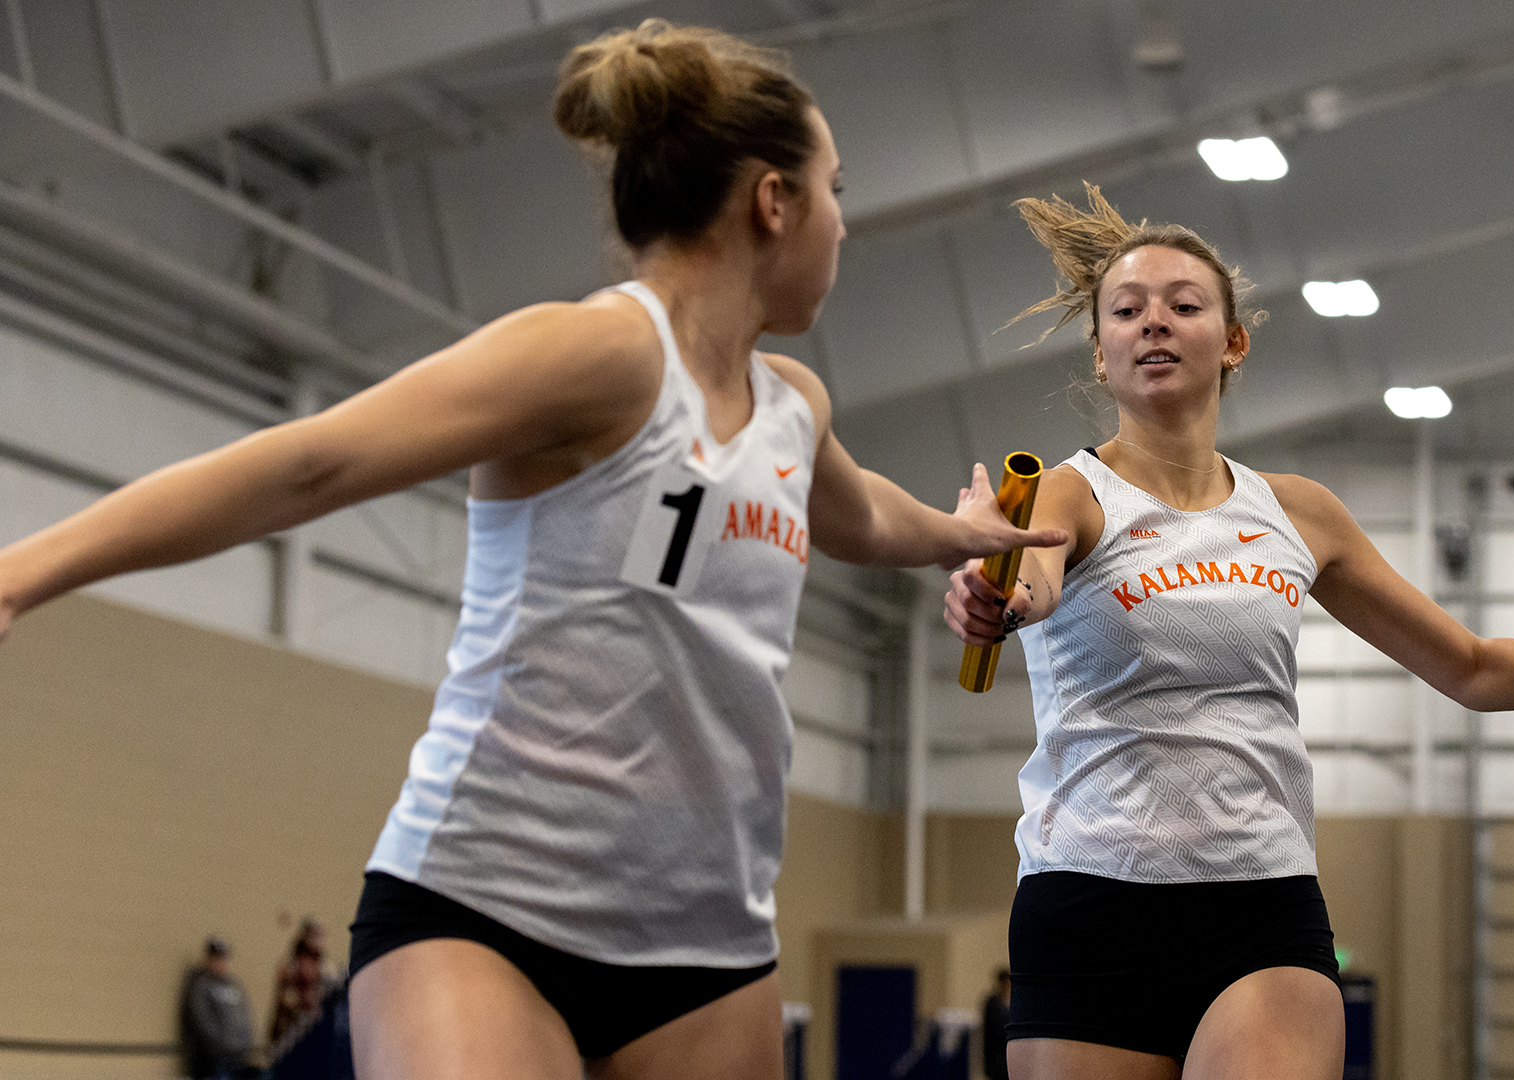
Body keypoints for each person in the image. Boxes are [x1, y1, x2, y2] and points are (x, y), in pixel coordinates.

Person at [0, 20, 1062, 1080]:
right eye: (837, 189)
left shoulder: (794, 409)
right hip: (486, 912)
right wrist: (23, 570)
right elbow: (312, 463)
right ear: (773, 202)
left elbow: (862, 518)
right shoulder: (601, 353)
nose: (844, 224)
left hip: (708, 948)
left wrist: (958, 535)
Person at [942, 185, 1514, 1080]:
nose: (1153, 322)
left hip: (1260, 909)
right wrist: (985, 584)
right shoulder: (1062, 493)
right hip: (1089, 905)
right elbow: (1021, 584)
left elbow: (1469, 667)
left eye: (1183, 305)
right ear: (1101, 352)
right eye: (1126, 310)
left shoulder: (1298, 513)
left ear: (1232, 341)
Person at [180, 937, 254, 1080]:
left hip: (237, 1057)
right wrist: (220, 1046)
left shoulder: (235, 986)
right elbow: (201, 1020)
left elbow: (244, 1018)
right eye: (216, 958)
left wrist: (244, 1045)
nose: (220, 963)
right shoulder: (201, 986)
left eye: (223, 958)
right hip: (211, 1058)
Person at [268, 919, 328, 1048]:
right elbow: (287, 1000)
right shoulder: (292, 964)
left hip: (314, 1028)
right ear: (305, 937)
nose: (320, 941)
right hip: (294, 1031)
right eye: (315, 936)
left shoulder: (321, 965)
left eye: (321, 936)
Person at [982, 968, 1012, 1080]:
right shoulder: (992, 1003)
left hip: (1007, 1053)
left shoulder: (1012, 1002)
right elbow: (988, 1032)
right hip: (995, 1055)